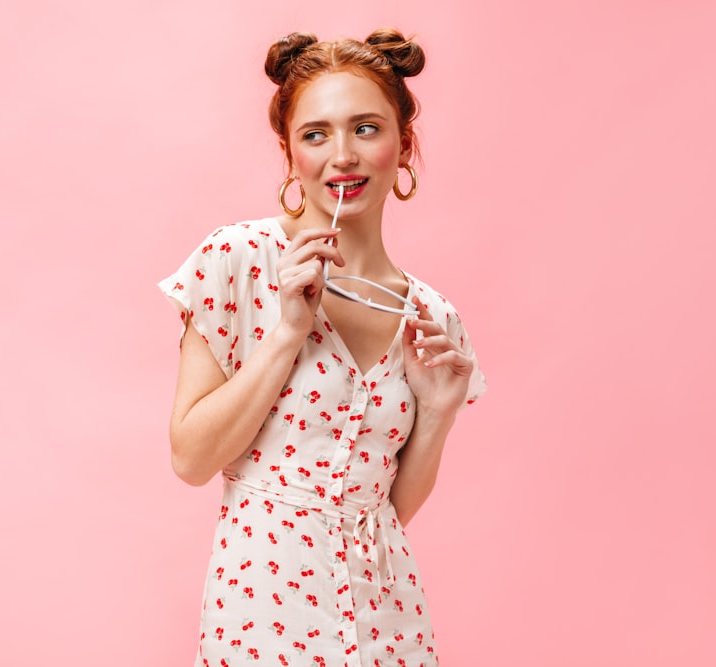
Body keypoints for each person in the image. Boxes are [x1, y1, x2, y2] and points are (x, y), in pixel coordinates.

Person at [159, 28, 487, 667]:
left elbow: (386, 510)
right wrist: (286, 333)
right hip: (261, 616)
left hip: (389, 620)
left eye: (366, 128)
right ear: (290, 154)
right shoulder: (240, 261)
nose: (344, 155)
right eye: (316, 134)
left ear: (403, 144)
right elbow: (190, 458)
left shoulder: (431, 316)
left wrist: (438, 414)